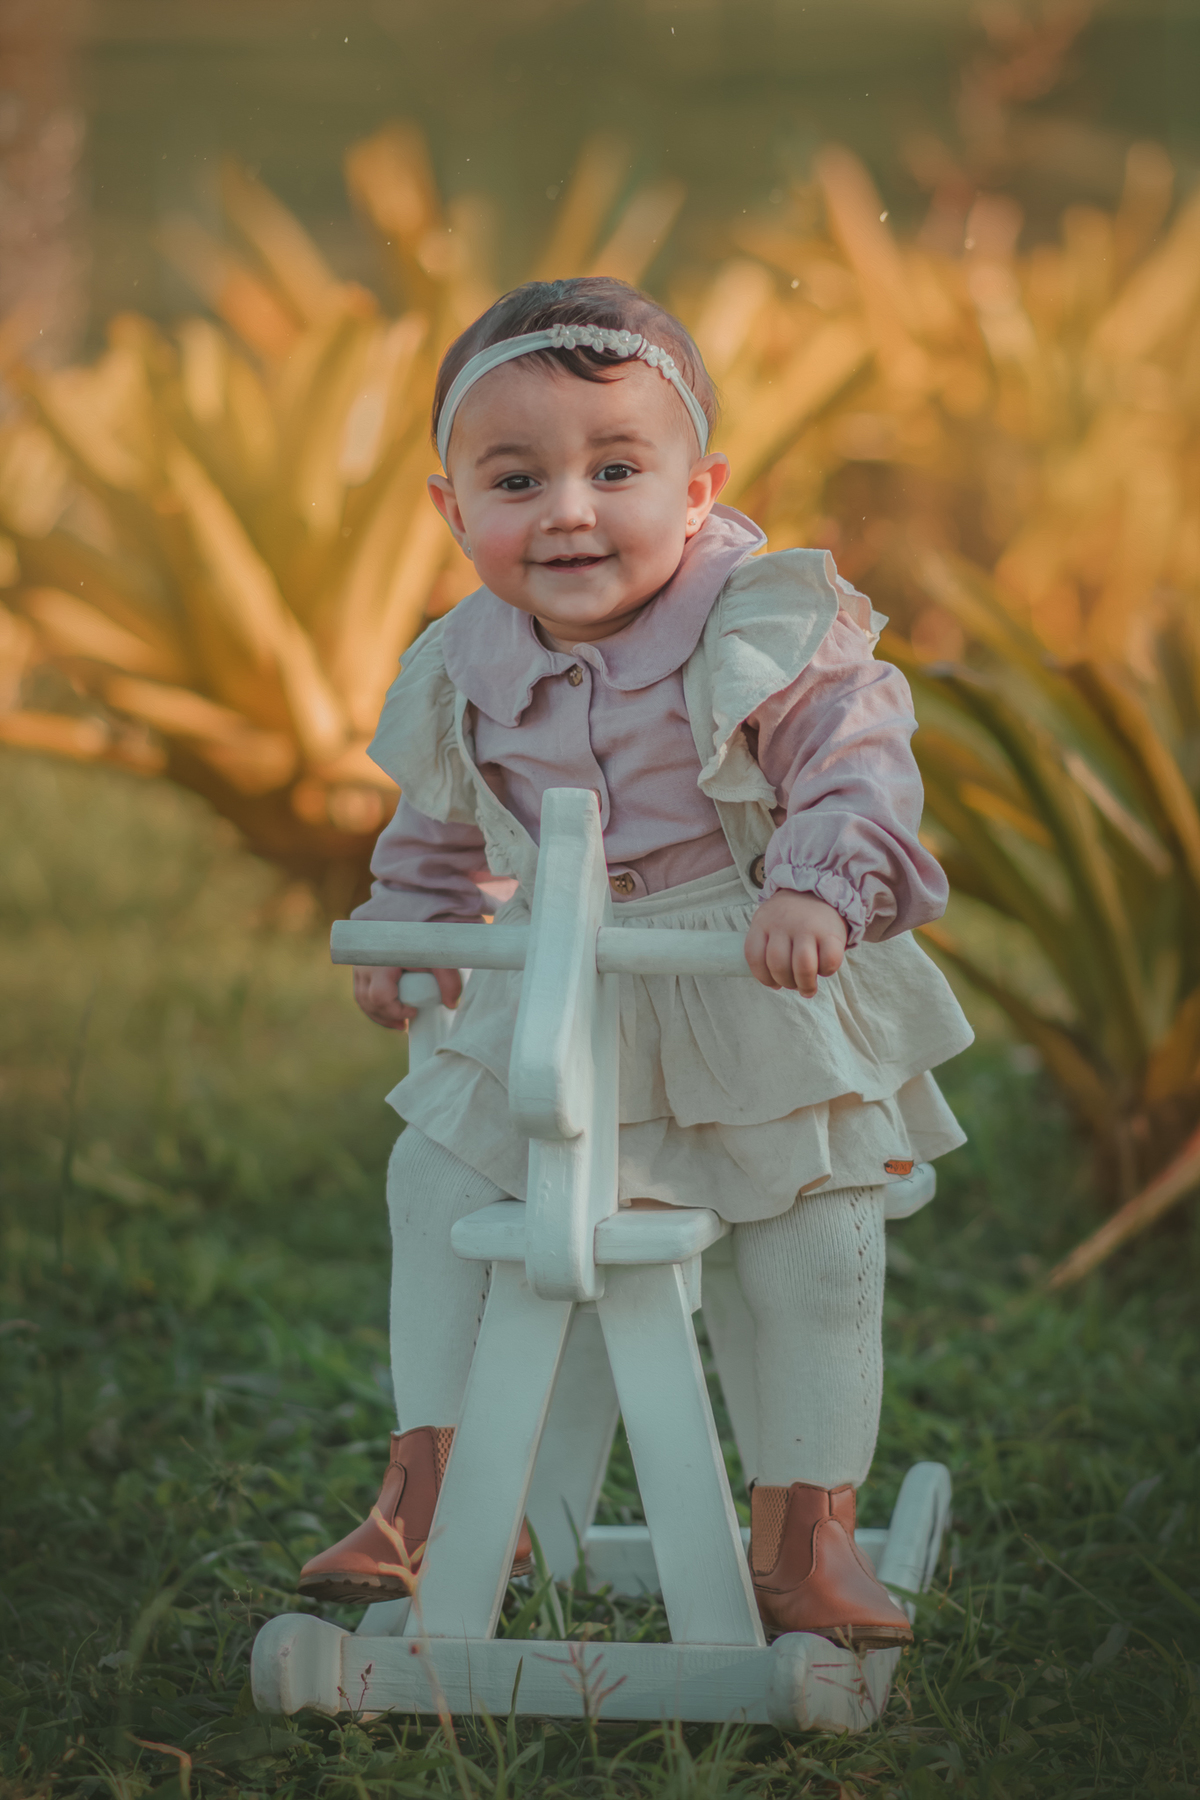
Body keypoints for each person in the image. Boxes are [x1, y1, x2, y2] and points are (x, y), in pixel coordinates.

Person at [297, 277, 973, 1646]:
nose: (569, 511)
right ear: (451, 509)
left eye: (616, 470)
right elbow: (442, 818)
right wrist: (418, 926)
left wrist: (814, 887)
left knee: (812, 1233)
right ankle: (425, 1488)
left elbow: (853, 772)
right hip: (564, 986)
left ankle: (807, 1525)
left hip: (747, 966)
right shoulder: (461, 661)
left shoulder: (762, 621)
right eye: (516, 477)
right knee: (435, 1175)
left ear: (699, 483)